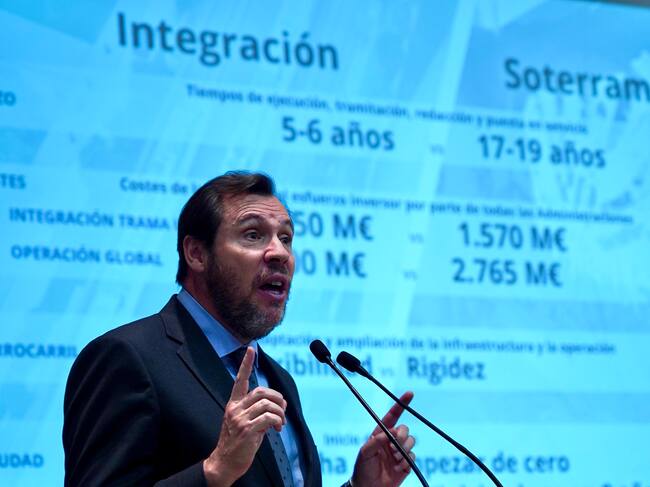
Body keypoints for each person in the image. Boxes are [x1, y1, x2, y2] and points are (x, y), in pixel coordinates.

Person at [63, 171, 416, 486]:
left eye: (286, 238)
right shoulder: (128, 358)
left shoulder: (277, 378)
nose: (279, 253)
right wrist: (214, 471)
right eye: (253, 235)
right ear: (196, 254)